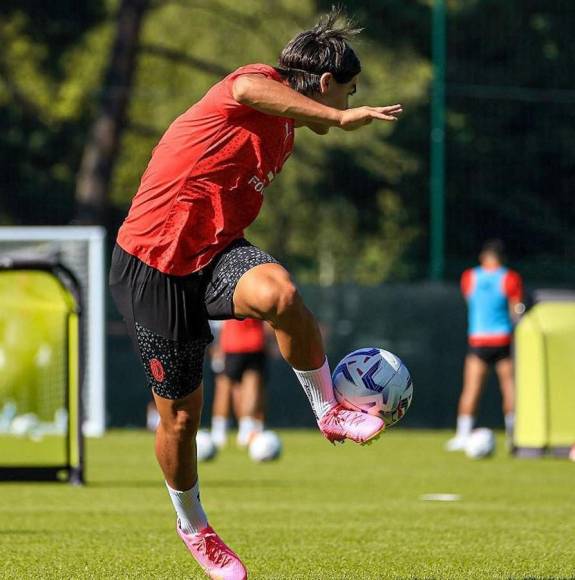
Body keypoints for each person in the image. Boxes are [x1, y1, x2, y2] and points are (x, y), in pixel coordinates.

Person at [109, 9, 402, 579]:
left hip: (216, 253)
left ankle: (328, 412)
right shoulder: (250, 83)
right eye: (348, 92)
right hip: (152, 264)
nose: (348, 103)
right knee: (181, 421)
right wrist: (338, 122)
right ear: (323, 85)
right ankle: (193, 524)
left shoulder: (286, 127)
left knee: (281, 294)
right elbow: (249, 87)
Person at [446, 240, 524, 452]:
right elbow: (516, 310)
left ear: (483, 257)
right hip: (503, 341)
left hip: (478, 341)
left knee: (471, 389)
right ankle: (513, 436)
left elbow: (469, 299)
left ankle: (462, 435)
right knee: (509, 388)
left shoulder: (470, 277)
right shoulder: (510, 278)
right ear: (503, 258)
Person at [211, 318, 270, 449]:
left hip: (233, 343)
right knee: (250, 385)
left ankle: (221, 432)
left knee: (226, 385)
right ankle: (245, 430)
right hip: (252, 342)